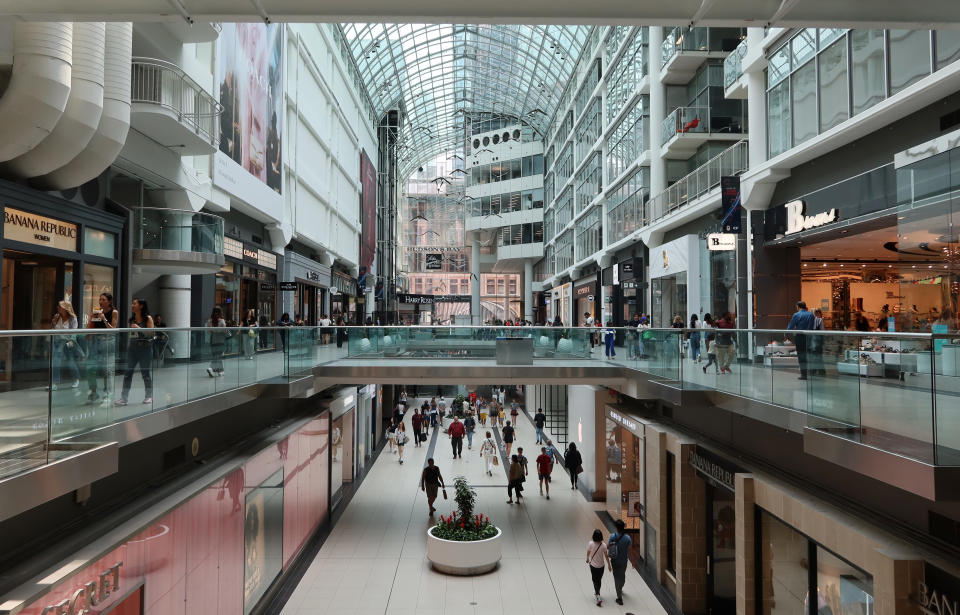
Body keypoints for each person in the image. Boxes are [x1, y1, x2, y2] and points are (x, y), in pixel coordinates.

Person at [117, 298, 154, 406]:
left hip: (145, 350)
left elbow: (151, 334)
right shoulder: (131, 320)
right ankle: (124, 398)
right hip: (132, 350)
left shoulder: (148, 318)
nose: (132, 305)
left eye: (134, 304)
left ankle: (149, 396)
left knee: (145, 374)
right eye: (132, 304)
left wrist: (138, 327)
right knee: (127, 373)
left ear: (141, 306)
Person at [86, 292, 119, 406]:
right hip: (95, 343)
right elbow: (88, 332)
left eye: (103, 300)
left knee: (107, 369)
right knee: (91, 368)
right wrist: (91, 319)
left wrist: (104, 319)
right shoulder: (96, 312)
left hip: (107, 342)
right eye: (100, 299)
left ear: (109, 301)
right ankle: (93, 392)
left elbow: (113, 330)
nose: (100, 302)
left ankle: (107, 394)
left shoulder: (114, 312)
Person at [51, 300, 80, 390]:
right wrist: (53, 323)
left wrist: (70, 343)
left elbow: (74, 333)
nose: (58, 308)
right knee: (55, 361)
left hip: (68, 342)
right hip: (57, 342)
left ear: (65, 308)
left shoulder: (73, 318)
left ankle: (76, 379)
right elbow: (52, 329)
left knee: (70, 361)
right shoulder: (57, 316)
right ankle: (54, 383)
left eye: (60, 306)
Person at [787, 301, 817, 380]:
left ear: (798, 307)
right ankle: (812, 371)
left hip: (800, 337)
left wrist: (786, 334)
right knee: (809, 354)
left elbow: (791, 326)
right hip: (809, 336)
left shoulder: (796, 315)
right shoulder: (811, 314)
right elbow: (811, 326)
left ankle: (804, 374)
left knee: (801, 355)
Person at [609, 519, 633, 605]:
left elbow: (608, 546)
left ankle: (619, 597)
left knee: (616, 577)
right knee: (622, 576)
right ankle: (620, 588)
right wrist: (633, 562)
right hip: (624, 561)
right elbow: (630, 550)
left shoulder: (612, 536)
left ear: (616, 527)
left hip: (614, 561)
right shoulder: (627, 538)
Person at [587, 529, 611, 607]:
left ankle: (598, 596)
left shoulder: (591, 543)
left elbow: (588, 552)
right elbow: (606, 556)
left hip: (593, 566)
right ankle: (598, 592)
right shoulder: (603, 545)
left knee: (594, 580)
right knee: (599, 580)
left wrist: (587, 558)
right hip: (601, 566)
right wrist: (609, 565)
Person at [206, 307, 229, 377]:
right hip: (221, 341)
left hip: (213, 341)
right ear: (220, 313)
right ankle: (212, 368)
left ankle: (220, 371)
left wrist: (214, 331)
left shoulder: (209, 321)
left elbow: (209, 331)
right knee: (218, 356)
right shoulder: (222, 321)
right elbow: (225, 331)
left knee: (216, 356)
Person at [809, 308, 826, 376]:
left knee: (814, 356)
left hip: (811, 339)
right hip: (818, 339)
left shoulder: (809, 320)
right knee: (819, 355)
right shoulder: (819, 320)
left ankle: (814, 370)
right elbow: (823, 330)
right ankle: (820, 370)